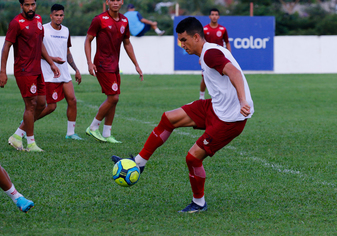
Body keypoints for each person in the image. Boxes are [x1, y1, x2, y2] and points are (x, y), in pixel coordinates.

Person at [112, 17, 254, 213]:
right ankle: (139, 163)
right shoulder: (206, 52)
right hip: (216, 107)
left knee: (193, 158)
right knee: (168, 118)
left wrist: (242, 100)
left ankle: (199, 203)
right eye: (180, 40)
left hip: (230, 118)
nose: (182, 44)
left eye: (184, 40)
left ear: (196, 37)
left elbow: (235, 73)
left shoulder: (210, 54)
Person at [0, 0, 60, 152]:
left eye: (33, 4)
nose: (31, 8)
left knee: (41, 104)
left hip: (37, 69)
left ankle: (18, 135)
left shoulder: (39, 20)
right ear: (21, 6)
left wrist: (51, 62)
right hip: (24, 70)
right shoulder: (16, 23)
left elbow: (39, 44)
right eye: (27, 5)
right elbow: (6, 46)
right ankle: (31, 143)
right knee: (31, 105)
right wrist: (2, 71)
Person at [85, 0, 143, 143]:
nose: (115, 2)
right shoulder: (99, 19)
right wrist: (89, 62)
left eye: (118, 0)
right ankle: (93, 127)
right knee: (113, 97)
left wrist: (136, 64)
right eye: (112, 0)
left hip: (114, 65)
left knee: (114, 99)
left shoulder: (124, 20)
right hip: (102, 64)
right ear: (107, 2)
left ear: (122, 2)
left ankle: (107, 133)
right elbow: (88, 40)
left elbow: (127, 43)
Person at [37, 4, 83, 140]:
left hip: (64, 73)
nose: (59, 18)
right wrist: (52, 59)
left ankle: (70, 133)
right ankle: (27, 122)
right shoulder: (43, 29)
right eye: (56, 15)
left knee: (72, 100)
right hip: (48, 72)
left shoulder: (66, 31)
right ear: (51, 16)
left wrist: (76, 69)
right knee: (51, 107)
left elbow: (67, 52)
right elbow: (36, 52)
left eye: (61, 15)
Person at [200, 8, 231, 100]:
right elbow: (201, 44)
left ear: (219, 16)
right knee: (205, 78)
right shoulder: (204, 29)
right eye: (212, 14)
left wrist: (229, 54)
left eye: (216, 14)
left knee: (222, 78)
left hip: (219, 57)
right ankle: (201, 97)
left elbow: (227, 42)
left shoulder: (223, 29)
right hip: (207, 57)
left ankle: (222, 96)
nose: (214, 16)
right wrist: (200, 58)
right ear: (209, 16)